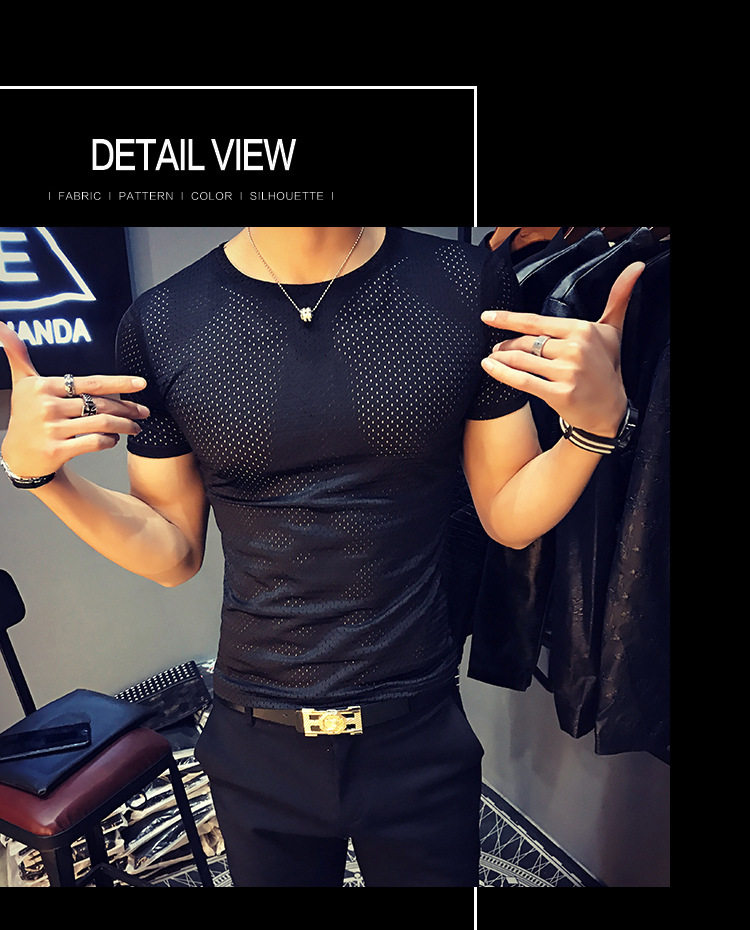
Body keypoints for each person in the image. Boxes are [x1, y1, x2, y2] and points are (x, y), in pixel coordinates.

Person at [0, 227, 643, 887]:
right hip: (258, 740)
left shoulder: (466, 283)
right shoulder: (162, 321)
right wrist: (42, 478)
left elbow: (507, 514)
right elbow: (173, 552)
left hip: (417, 728)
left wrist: (592, 431)